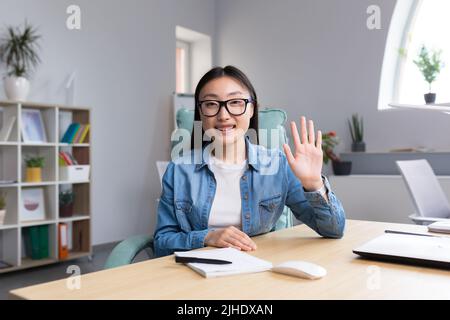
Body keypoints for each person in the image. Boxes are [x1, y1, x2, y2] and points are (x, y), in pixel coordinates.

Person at [153, 65, 345, 257]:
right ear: (200, 112)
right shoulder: (179, 170)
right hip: (194, 274)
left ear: (252, 109)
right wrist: (206, 237)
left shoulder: (277, 166)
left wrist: (313, 184)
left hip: (257, 272)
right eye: (211, 104)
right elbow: (162, 242)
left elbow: (333, 230)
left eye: (235, 102)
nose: (223, 115)